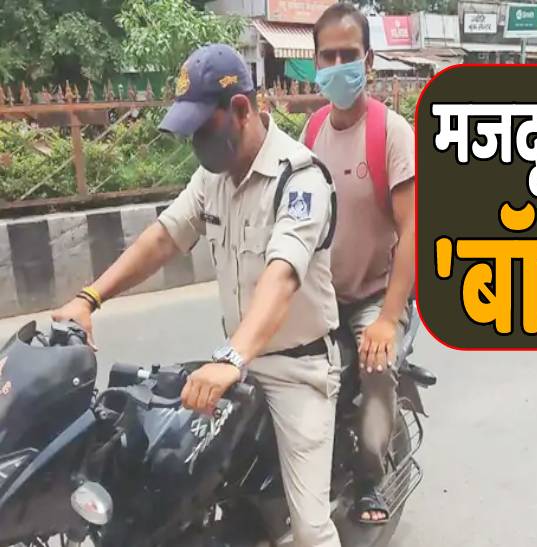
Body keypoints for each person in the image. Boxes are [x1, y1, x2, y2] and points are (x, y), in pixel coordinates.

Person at [52, 44, 342, 547]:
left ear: (241, 110)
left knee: (311, 529)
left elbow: (282, 277)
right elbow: (164, 237)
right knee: (164, 472)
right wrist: (89, 298)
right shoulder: (213, 177)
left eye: (203, 129)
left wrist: (231, 357)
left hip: (296, 370)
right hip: (236, 364)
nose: (195, 142)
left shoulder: (300, 179)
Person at [303, 3, 416, 525]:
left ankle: (371, 479)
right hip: (321, 294)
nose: (338, 65)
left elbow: (412, 229)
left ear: (367, 60)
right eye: (328, 56)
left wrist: (389, 319)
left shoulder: (390, 133)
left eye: (349, 54)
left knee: (375, 368)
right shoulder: (311, 132)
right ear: (315, 62)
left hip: (373, 295)